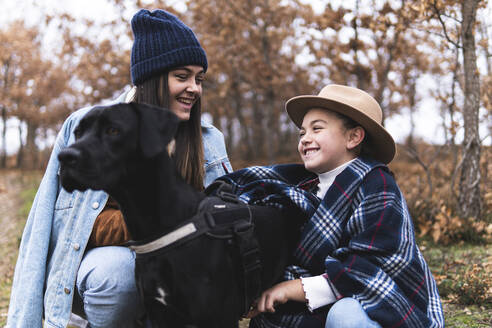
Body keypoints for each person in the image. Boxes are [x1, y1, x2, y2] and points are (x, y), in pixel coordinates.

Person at [7, 9, 232, 328]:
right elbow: (43, 227)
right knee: (117, 276)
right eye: (182, 77)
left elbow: (223, 227)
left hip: (181, 273)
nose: (194, 88)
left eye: (199, 79)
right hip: (107, 267)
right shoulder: (86, 126)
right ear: (152, 79)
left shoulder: (208, 141)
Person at [214, 84, 444, 327]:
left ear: (353, 137)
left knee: (345, 315)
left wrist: (295, 287)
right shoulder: (300, 187)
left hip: (379, 307)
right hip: (320, 305)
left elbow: (372, 267)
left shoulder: (378, 185)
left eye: (317, 129)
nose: (305, 139)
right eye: (302, 133)